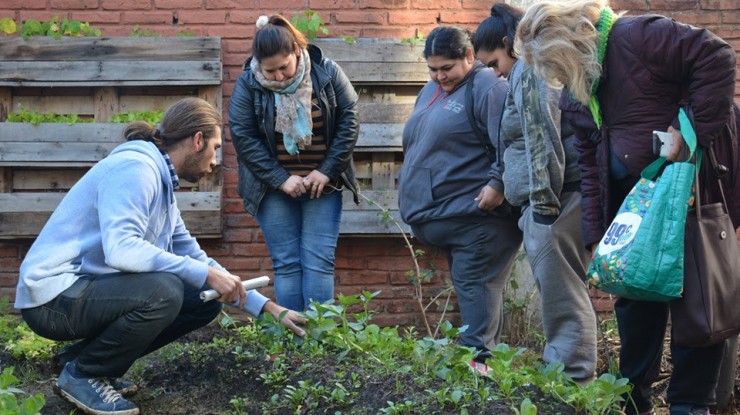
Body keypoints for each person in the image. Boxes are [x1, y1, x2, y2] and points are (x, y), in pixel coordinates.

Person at [14, 97, 306, 415]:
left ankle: (80, 362)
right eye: (216, 148)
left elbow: (194, 257)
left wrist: (267, 308)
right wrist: (205, 275)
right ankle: (85, 376)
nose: (215, 161)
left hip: (81, 292)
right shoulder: (136, 169)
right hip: (53, 299)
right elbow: (121, 249)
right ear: (197, 140)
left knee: (201, 298)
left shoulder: (161, 183)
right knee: (164, 290)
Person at [516, 1, 740, 414]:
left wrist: (686, 134)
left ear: (572, 39)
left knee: (697, 301)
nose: (558, 77)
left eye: (556, 63)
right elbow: (589, 160)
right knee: (636, 301)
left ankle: (689, 405)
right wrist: (599, 237)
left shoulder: (640, 35)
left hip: (689, 189)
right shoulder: (579, 87)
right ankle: (633, 399)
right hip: (634, 205)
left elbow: (718, 58)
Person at [473, 3, 598, 383]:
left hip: (555, 203)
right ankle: (566, 373)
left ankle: (574, 382)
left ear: (509, 44)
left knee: (563, 295)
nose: (495, 73)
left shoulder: (528, 68)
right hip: (556, 200)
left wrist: (543, 206)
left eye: (494, 62)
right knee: (561, 292)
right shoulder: (524, 69)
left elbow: (542, 135)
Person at [397, 26, 523, 372]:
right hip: (448, 216)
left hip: (480, 222)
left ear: (469, 56)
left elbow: (511, 140)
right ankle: (473, 380)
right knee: (471, 298)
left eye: (447, 68)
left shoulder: (488, 87)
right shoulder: (432, 90)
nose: (439, 76)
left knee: (477, 297)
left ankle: (480, 380)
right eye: (432, 69)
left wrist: (497, 185)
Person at [228, 14, 359, 312]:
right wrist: (280, 179)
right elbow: (243, 136)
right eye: (269, 70)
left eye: (283, 67)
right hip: (272, 190)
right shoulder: (248, 83)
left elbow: (350, 119)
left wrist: (326, 171)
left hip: (321, 188)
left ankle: (319, 340)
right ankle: (294, 341)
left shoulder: (326, 71)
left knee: (319, 263)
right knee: (286, 264)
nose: (278, 77)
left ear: (297, 51)